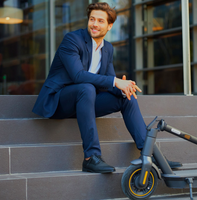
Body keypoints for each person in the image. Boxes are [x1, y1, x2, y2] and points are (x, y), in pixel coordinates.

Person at [32, 2, 181, 173]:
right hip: (59, 101)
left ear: (110, 26)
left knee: (126, 97)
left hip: (86, 102)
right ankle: (91, 158)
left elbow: (109, 83)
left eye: (100, 21)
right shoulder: (72, 40)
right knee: (86, 87)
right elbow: (78, 76)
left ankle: (150, 154)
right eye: (92, 19)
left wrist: (124, 87)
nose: (95, 24)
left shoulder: (108, 48)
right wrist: (115, 81)